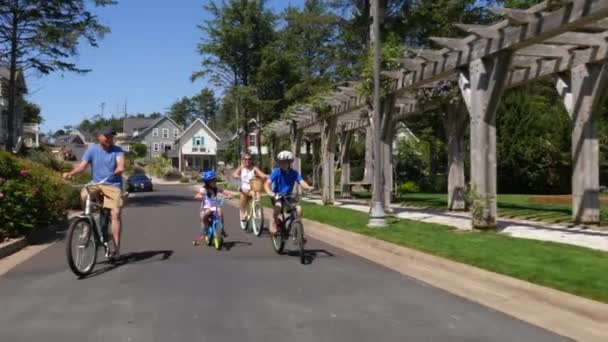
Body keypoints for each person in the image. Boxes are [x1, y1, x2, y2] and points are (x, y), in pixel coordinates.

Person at [63, 127, 125, 258]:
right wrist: (71, 173)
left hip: (112, 185)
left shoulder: (118, 150)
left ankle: (116, 249)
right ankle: (86, 222)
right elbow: (82, 166)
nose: (110, 139)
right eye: (107, 136)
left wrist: (119, 169)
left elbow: (120, 164)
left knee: (116, 213)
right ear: (99, 137)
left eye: (111, 137)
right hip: (96, 184)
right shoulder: (92, 149)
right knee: (84, 193)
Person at [264, 151, 312, 236]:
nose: (283, 164)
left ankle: (299, 231)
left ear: (289, 162)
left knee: (299, 209)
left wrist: (307, 187)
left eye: (285, 162)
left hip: (289, 195)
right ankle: (274, 221)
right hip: (277, 195)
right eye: (281, 162)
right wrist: (270, 192)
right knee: (278, 207)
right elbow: (267, 183)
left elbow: (301, 182)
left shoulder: (294, 173)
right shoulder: (276, 172)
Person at [195, 170, 233, 241]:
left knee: (220, 211)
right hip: (205, 208)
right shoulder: (204, 189)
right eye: (212, 181)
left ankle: (222, 228)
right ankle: (206, 229)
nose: (214, 182)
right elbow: (198, 194)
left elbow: (223, 191)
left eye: (215, 180)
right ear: (207, 182)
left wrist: (229, 195)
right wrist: (199, 196)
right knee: (205, 215)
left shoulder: (216, 188)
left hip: (214, 207)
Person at [232, 154, 267, 226]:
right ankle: (242, 212)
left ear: (251, 160)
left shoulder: (254, 168)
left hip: (253, 187)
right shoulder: (241, 168)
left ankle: (257, 210)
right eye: (245, 159)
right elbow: (234, 174)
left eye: (249, 159)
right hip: (243, 188)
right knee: (243, 196)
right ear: (242, 160)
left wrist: (267, 176)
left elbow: (262, 175)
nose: (247, 161)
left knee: (257, 194)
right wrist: (237, 176)